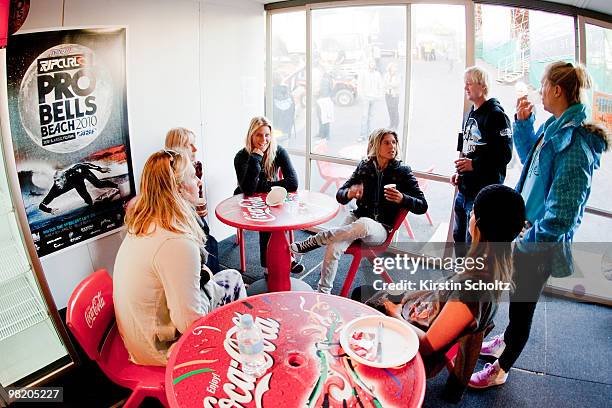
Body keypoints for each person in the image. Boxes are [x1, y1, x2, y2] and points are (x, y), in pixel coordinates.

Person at [469, 62, 609, 388]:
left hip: (537, 241)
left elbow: (563, 214)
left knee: (522, 307)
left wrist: (529, 241)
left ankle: (501, 369)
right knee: (514, 295)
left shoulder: (577, 141)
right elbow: (529, 161)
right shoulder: (555, 124)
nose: (540, 91)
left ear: (557, 90)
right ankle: (504, 341)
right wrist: (523, 123)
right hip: (525, 232)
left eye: (543, 85)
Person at [360, 185, 525, 388]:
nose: (470, 214)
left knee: (359, 302)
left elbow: (427, 346)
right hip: (419, 313)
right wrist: (411, 296)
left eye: (473, 210)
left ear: (479, 224)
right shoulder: (490, 264)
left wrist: (394, 313)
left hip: (411, 339)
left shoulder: (472, 290)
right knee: (363, 293)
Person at [114, 150, 246, 366]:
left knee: (220, 280)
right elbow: (190, 323)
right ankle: (238, 358)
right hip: (159, 350)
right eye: (193, 176)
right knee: (232, 280)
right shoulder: (176, 243)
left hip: (140, 333)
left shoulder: (143, 221)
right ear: (178, 188)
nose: (198, 182)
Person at [290, 128, 428, 293]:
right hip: (356, 218)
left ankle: (318, 239)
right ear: (376, 145)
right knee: (334, 247)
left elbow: (422, 205)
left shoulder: (403, 172)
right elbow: (341, 195)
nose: (392, 146)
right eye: (387, 142)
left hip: (380, 229)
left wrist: (402, 199)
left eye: (394, 142)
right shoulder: (365, 166)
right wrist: (349, 192)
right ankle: (323, 292)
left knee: (364, 224)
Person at [451, 66, 512, 253]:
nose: (465, 88)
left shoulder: (496, 115)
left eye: (469, 83)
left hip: (481, 192)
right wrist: (459, 171)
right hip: (464, 189)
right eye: (465, 84)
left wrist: (474, 165)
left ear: (483, 86)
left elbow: (505, 154)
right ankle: (460, 275)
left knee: (474, 243)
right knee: (459, 237)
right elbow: (465, 146)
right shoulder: (471, 111)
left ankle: (470, 279)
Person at [233, 116, 304, 274]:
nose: (264, 139)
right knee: (269, 218)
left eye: (267, 135)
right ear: (251, 135)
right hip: (247, 199)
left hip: (271, 197)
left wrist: (264, 186)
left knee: (274, 213)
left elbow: (293, 182)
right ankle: (281, 260)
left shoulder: (279, 151)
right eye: (258, 135)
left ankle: (272, 264)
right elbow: (249, 189)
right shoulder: (241, 156)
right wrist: (256, 158)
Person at [165, 127, 220, 274]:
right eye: (190, 145)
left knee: (209, 239)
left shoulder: (195, 166)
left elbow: (196, 198)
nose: (195, 148)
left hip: (192, 213)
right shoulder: (170, 175)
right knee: (209, 242)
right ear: (179, 148)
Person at [39, 162, 119, 213]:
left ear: (64, 178)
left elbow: (82, 165)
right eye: (55, 180)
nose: (57, 183)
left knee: (98, 184)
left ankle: (117, 186)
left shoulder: (72, 173)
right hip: (78, 184)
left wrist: (99, 169)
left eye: (58, 180)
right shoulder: (56, 189)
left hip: (82, 174)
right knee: (88, 201)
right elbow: (41, 205)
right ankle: (95, 205)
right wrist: (50, 210)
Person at [357, 60, 384, 142]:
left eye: (373, 65)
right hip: (366, 98)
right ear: (368, 65)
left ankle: (370, 135)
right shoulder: (363, 73)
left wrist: (379, 96)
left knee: (371, 117)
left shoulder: (377, 74)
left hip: (374, 98)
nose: (372, 66)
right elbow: (360, 85)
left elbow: (380, 85)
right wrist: (361, 95)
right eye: (371, 64)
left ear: (375, 66)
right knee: (364, 116)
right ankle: (362, 135)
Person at [383, 62, 400, 130]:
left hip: (394, 95)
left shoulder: (398, 75)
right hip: (387, 94)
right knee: (389, 109)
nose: (394, 69)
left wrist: (389, 84)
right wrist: (389, 85)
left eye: (395, 68)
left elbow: (396, 84)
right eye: (392, 68)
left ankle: (396, 124)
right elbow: (384, 84)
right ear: (389, 68)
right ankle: (391, 123)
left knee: (395, 110)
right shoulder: (386, 75)